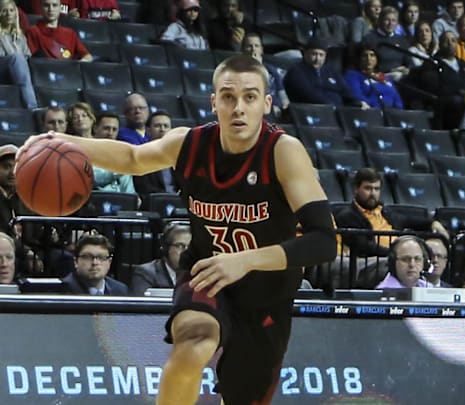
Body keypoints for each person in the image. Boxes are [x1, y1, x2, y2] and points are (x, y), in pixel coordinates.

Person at [19, 54, 336, 405]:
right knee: (193, 345)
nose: (239, 108)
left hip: (266, 292)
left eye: (250, 97)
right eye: (229, 97)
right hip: (206, 272)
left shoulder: (284, 152)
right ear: (214, 102)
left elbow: (323, 241)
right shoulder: (191, 143)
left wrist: (244, 261)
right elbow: (132, 159)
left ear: (267, 103)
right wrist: (53, 143)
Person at [335, 168, 449, 259]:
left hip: (398, 258)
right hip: (375, 261)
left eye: (376, 189)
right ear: (356, 189)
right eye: (368, 188)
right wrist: (397, 254)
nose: (373, 193)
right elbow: (364, 247)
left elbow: (410, 220)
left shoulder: (385, 212)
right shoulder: (348, 216)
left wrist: (433, 223)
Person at [284, 38, 368, 108]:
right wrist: (331, 106)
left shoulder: (331, 71)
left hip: (339, 113)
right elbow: (308, 95)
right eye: (314, 54)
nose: (317, 58)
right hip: (313, 112)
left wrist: (358, 102)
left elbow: (345, 91)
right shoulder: (296, 72)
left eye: (321, 55)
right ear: (305, 53)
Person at [131, 222, 190, 296]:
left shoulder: (199, 273)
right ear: (166, 248)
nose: (186, 252)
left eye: (190, 247)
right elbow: (141, 305)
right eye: (180, 246)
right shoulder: (146, 273)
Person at [62, 232, 129, 295]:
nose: (95, 262)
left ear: (109, 262)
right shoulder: (62, 290)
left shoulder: (120, 290)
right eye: (87, 257)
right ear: (76, 261)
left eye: (101, 257)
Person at [0, 0, 37, 109]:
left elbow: (27, 56)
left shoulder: (20, 36)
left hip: (16, 71)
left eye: (11, 10)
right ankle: (32, 107)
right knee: (17, 58)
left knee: (21, 61)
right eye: (4, 11)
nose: (9, 14)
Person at [25, 0, 92, 61]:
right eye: (46, 5)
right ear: (41, 7)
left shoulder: (70, 34)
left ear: (60, 8)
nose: (51, 9)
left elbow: (87, 56)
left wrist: (75, 66)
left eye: (54, 5)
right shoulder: (33, 32)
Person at [242, 32, 289, 118]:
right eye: (249, 46)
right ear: (243, 50)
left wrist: (285, 108)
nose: (253, 49)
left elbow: (282, 94)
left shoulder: (271, 70)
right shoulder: (238, 71)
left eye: (256, 46)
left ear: (261, 49)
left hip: (276, 111)